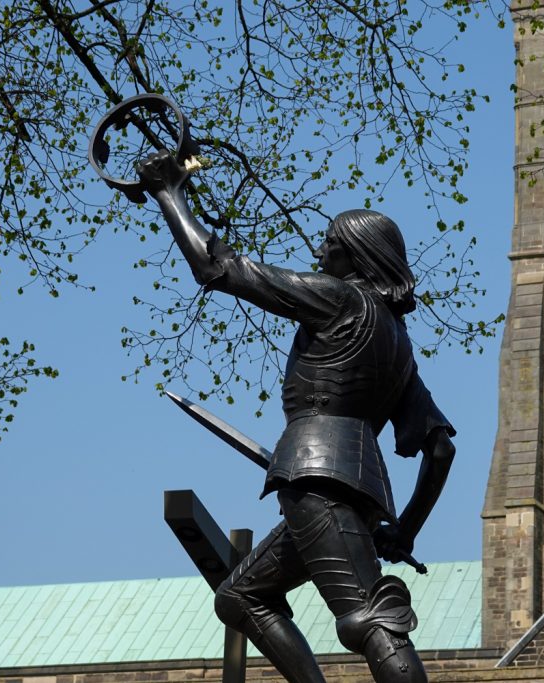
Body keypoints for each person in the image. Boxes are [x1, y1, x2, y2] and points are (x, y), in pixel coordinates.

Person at [137, 151, 456, 683]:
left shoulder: (340, 300)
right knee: (239, 597)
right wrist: (406, 530)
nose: (319, 249)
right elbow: (441, 449)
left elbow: (218, 267)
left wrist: (169, 192)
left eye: (330, 242)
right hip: (352, 485)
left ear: (354, 252)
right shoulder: (398, 345)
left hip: (317, 480)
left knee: (369, 618)